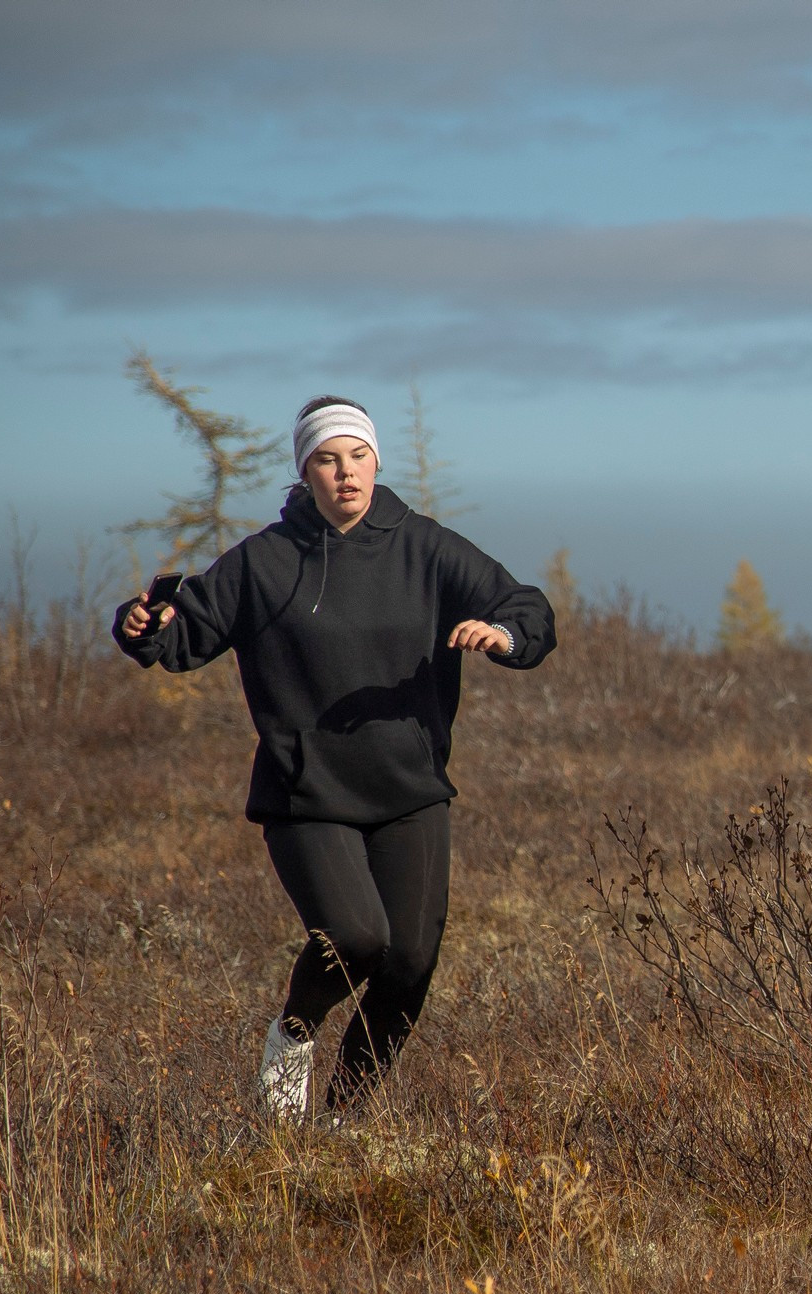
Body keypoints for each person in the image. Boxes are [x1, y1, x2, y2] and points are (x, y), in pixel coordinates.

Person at [113, 394, 555, 1122]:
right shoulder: (264, 561)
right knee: (355, 938)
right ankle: (292, 1035)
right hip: (306, 793)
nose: (345, 473)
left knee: (409, 964)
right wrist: (142, 627)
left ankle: (341, 1120)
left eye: (357, 456)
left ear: (377, 462)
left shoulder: (426, 548)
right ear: (305, 472)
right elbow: (180, 639)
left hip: (409, 788)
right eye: (327, 459)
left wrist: (505, 637)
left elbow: (528, 607)